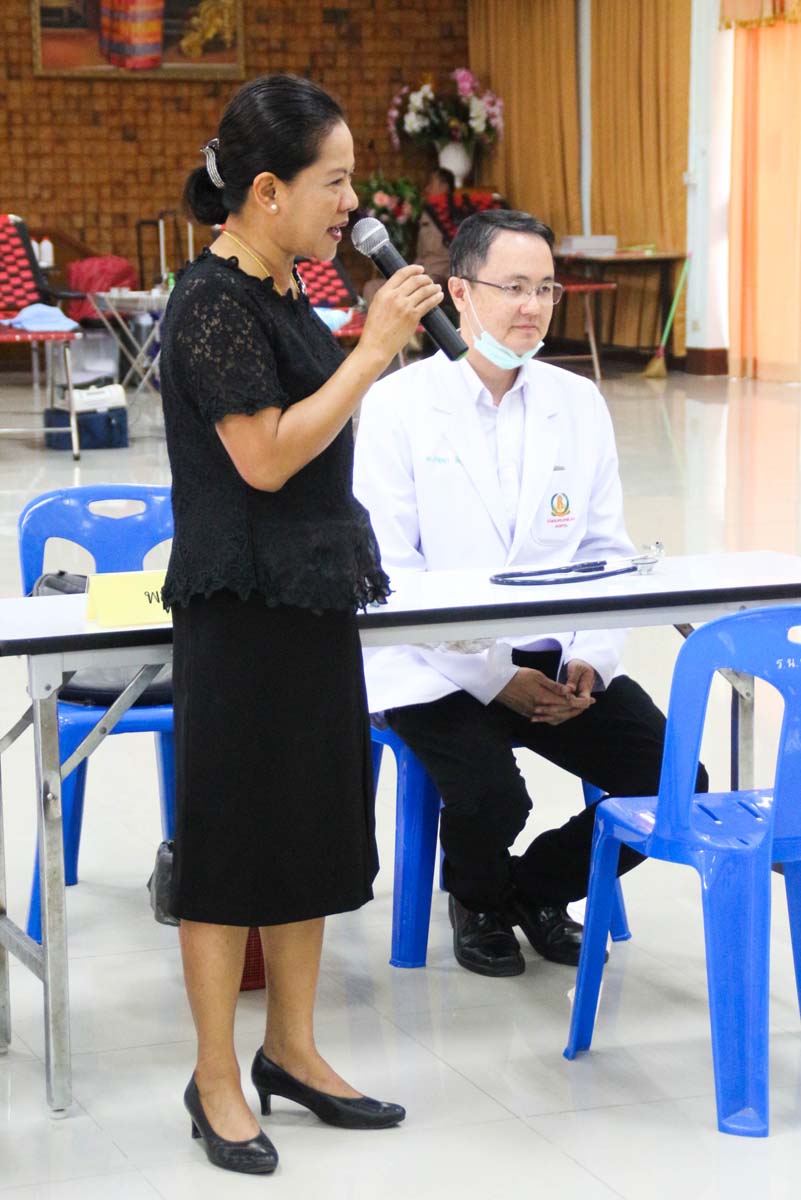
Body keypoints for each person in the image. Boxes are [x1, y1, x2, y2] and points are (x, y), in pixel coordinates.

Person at [159, 74, 443, 1174]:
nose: (352, 202)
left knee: (309, 828)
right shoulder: (211, 300)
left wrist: (366, 347)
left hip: (312, 596)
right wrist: (372, 350)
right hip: (240, 611)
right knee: (232, 844)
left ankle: (292, 1049)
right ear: (268, 191)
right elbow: (265, 457)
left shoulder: (285, 289)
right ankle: (215, 1079)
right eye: (334, 182)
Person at [353, 209, 708, 979]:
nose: (532, 306)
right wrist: (495, 677)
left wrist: (589, 658)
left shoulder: (574, 401)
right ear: (459, 292)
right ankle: (474, 899)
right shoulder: (397, 406)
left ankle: (530, 890)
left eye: (545, 288)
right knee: (492, 798)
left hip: (552, 654)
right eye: (512, 287)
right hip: (433, 662)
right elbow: (393, 576)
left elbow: (605, 550)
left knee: (676, 781)